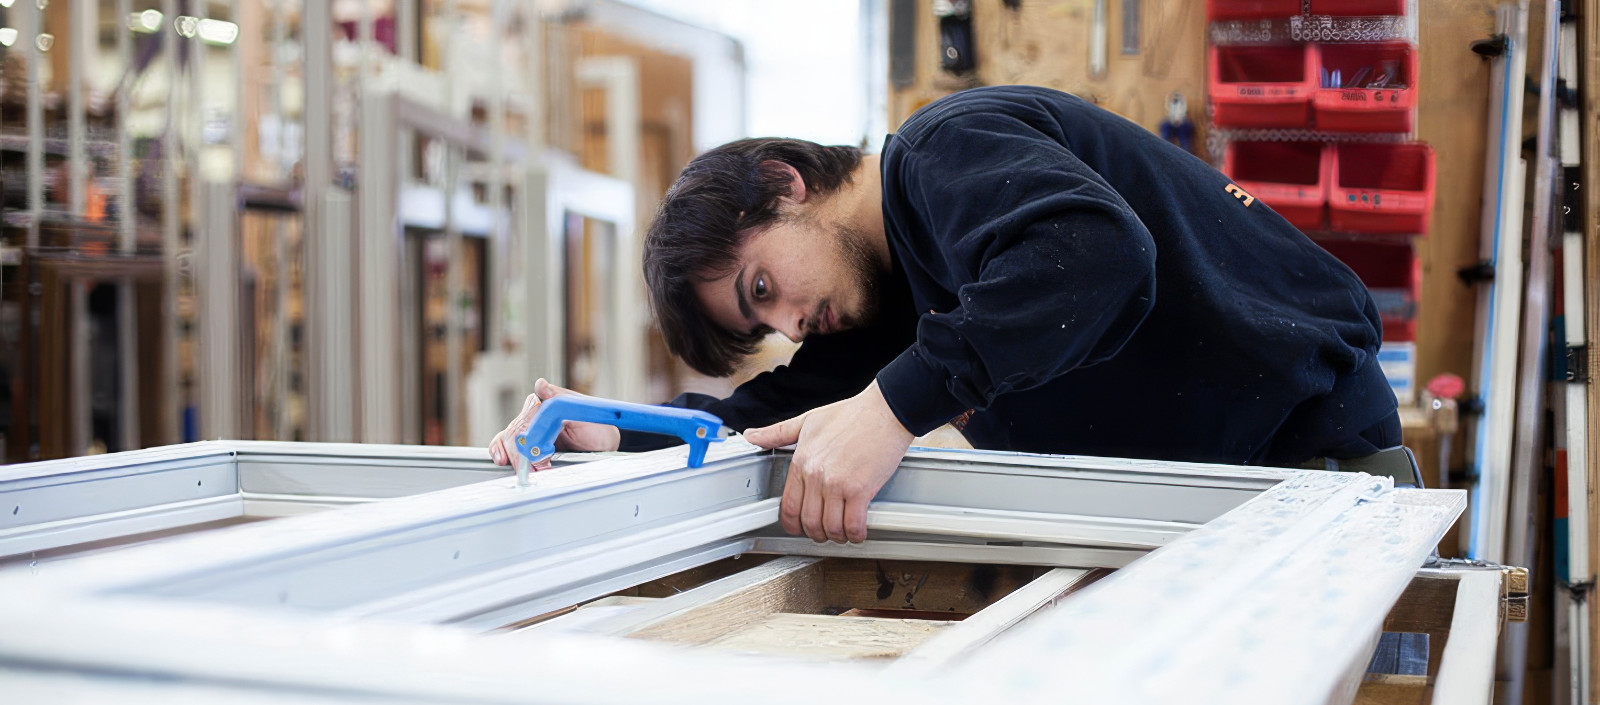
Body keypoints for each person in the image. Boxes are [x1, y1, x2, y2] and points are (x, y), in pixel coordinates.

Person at [489, 85, 1400, 546]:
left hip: (1321, 464)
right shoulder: (896, 301)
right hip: (1228, 510)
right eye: (763, 323)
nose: (791, 325)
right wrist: (611, 435)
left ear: (782, 184)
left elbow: (1099, 257)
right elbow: (758, 421)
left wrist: (890, 411)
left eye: (763, 287)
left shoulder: (940, 152)